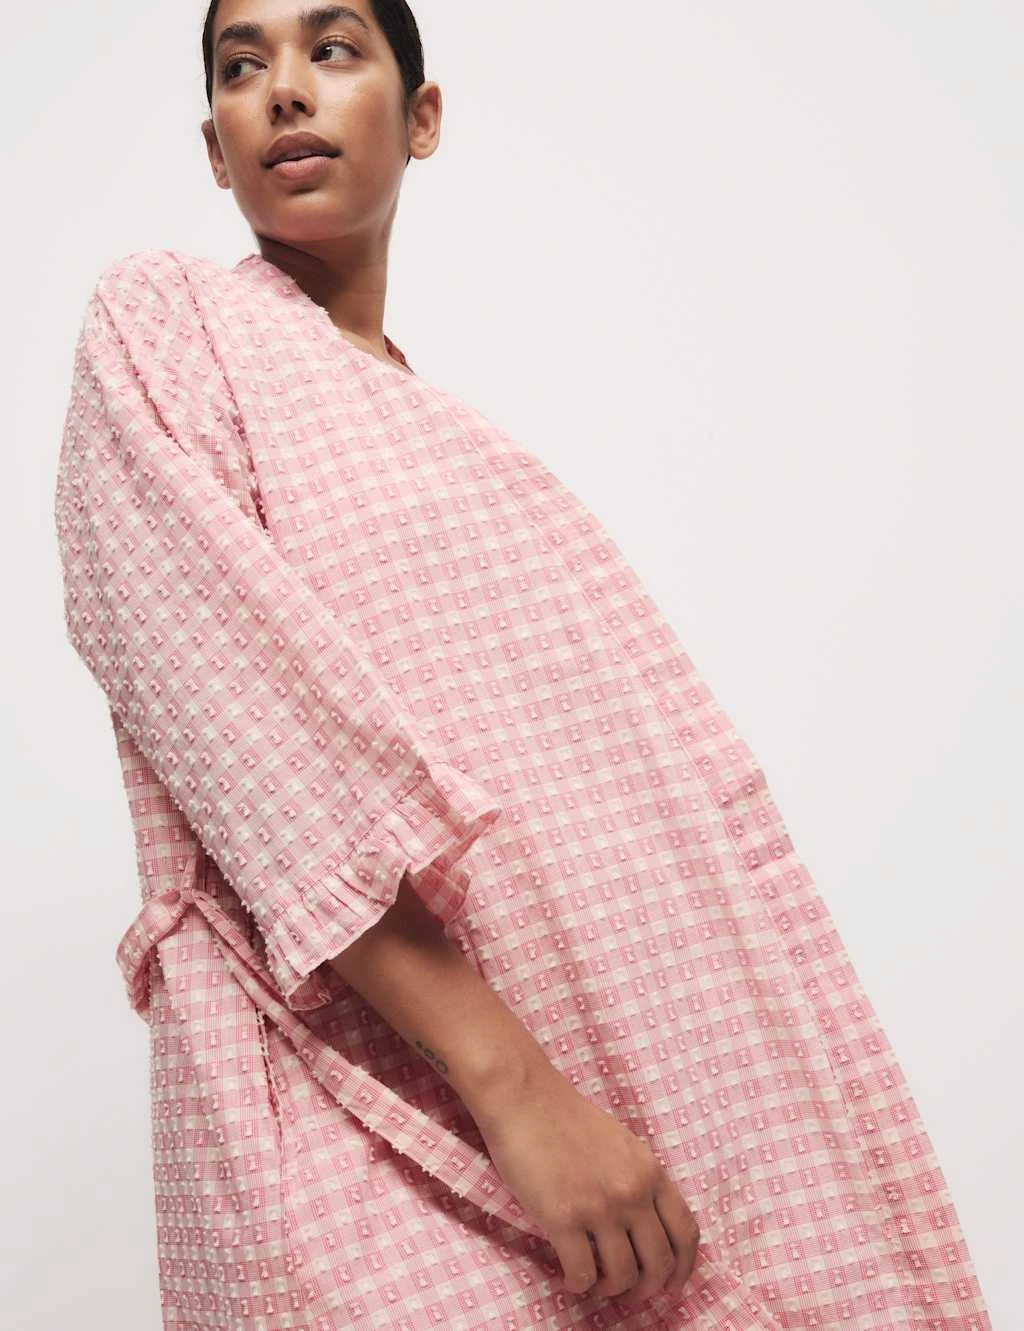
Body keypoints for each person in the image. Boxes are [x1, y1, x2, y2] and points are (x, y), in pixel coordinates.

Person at [53, 2, 994, 1328]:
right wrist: (514, 1088)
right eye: (241, 66)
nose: (284, 90)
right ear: (217, 147)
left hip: (618, 1073)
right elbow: (235, 716)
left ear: (421, 117)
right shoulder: (165, 324)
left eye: (333, 48)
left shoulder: (463, 443)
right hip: (360, 1086)